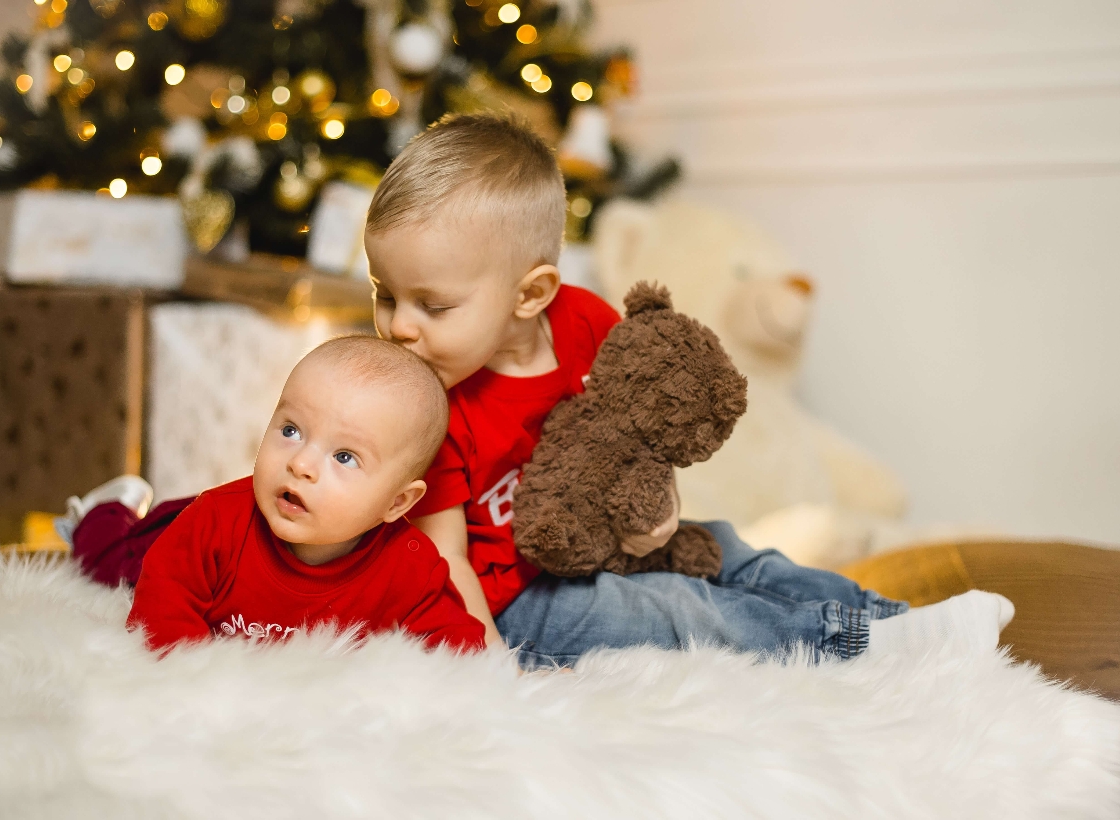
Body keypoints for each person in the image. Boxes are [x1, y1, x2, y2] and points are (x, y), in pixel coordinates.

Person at [362, 113, 1014, 668]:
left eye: (432, 305)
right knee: (673, 610)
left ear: (531, 294)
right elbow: (445, 563)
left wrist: (662, 511)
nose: (399, 327)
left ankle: (895, 623)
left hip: (606, 545)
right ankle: (857, 649)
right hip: (519, 605)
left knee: (728, 547)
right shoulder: (424, 407)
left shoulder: (584, 322)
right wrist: (489, 669)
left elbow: (641, 431)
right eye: (384, 296)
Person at [67, 336, 486, 654]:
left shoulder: (410, 566)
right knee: (108, 564)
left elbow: (458, 650)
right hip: (176, 528)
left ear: (397, 503)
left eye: (344, 456)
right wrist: (195, 681)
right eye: (291, 431)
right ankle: (105, 510)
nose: (300, 463)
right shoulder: (214, 523)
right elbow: (163, 610)